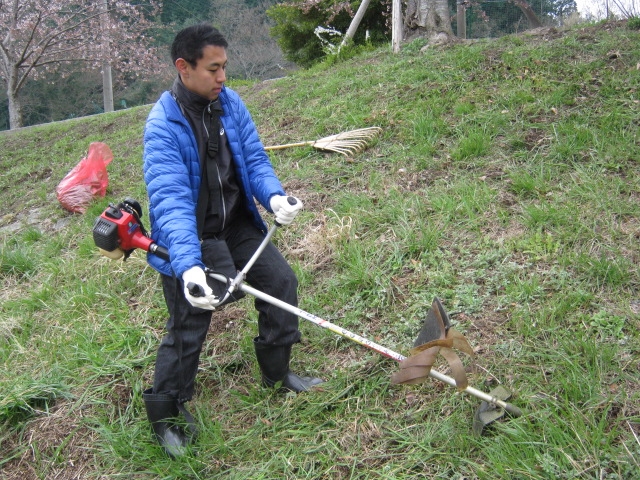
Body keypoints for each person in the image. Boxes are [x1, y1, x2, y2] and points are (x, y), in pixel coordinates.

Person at [141, 23, 323, 457]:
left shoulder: (229, 103)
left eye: (225, 67)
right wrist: (186, 266)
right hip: (193, 236)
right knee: (191, 319)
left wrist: (274, 195)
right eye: (214, 68)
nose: (223, 78)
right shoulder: (163, 126)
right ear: (183, 68)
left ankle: (277, 373)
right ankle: (166, 414)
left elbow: (255, 158)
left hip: (237, 224)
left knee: (280, 283)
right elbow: (170, 202)